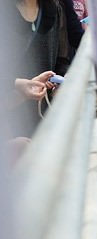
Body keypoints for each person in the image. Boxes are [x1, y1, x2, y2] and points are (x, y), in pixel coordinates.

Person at [6, 0, 71, 137]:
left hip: (45, 117)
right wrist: (17, 85)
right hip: (9, 121)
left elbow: (62, 59)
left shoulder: (55, 10)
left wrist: (61, 81)